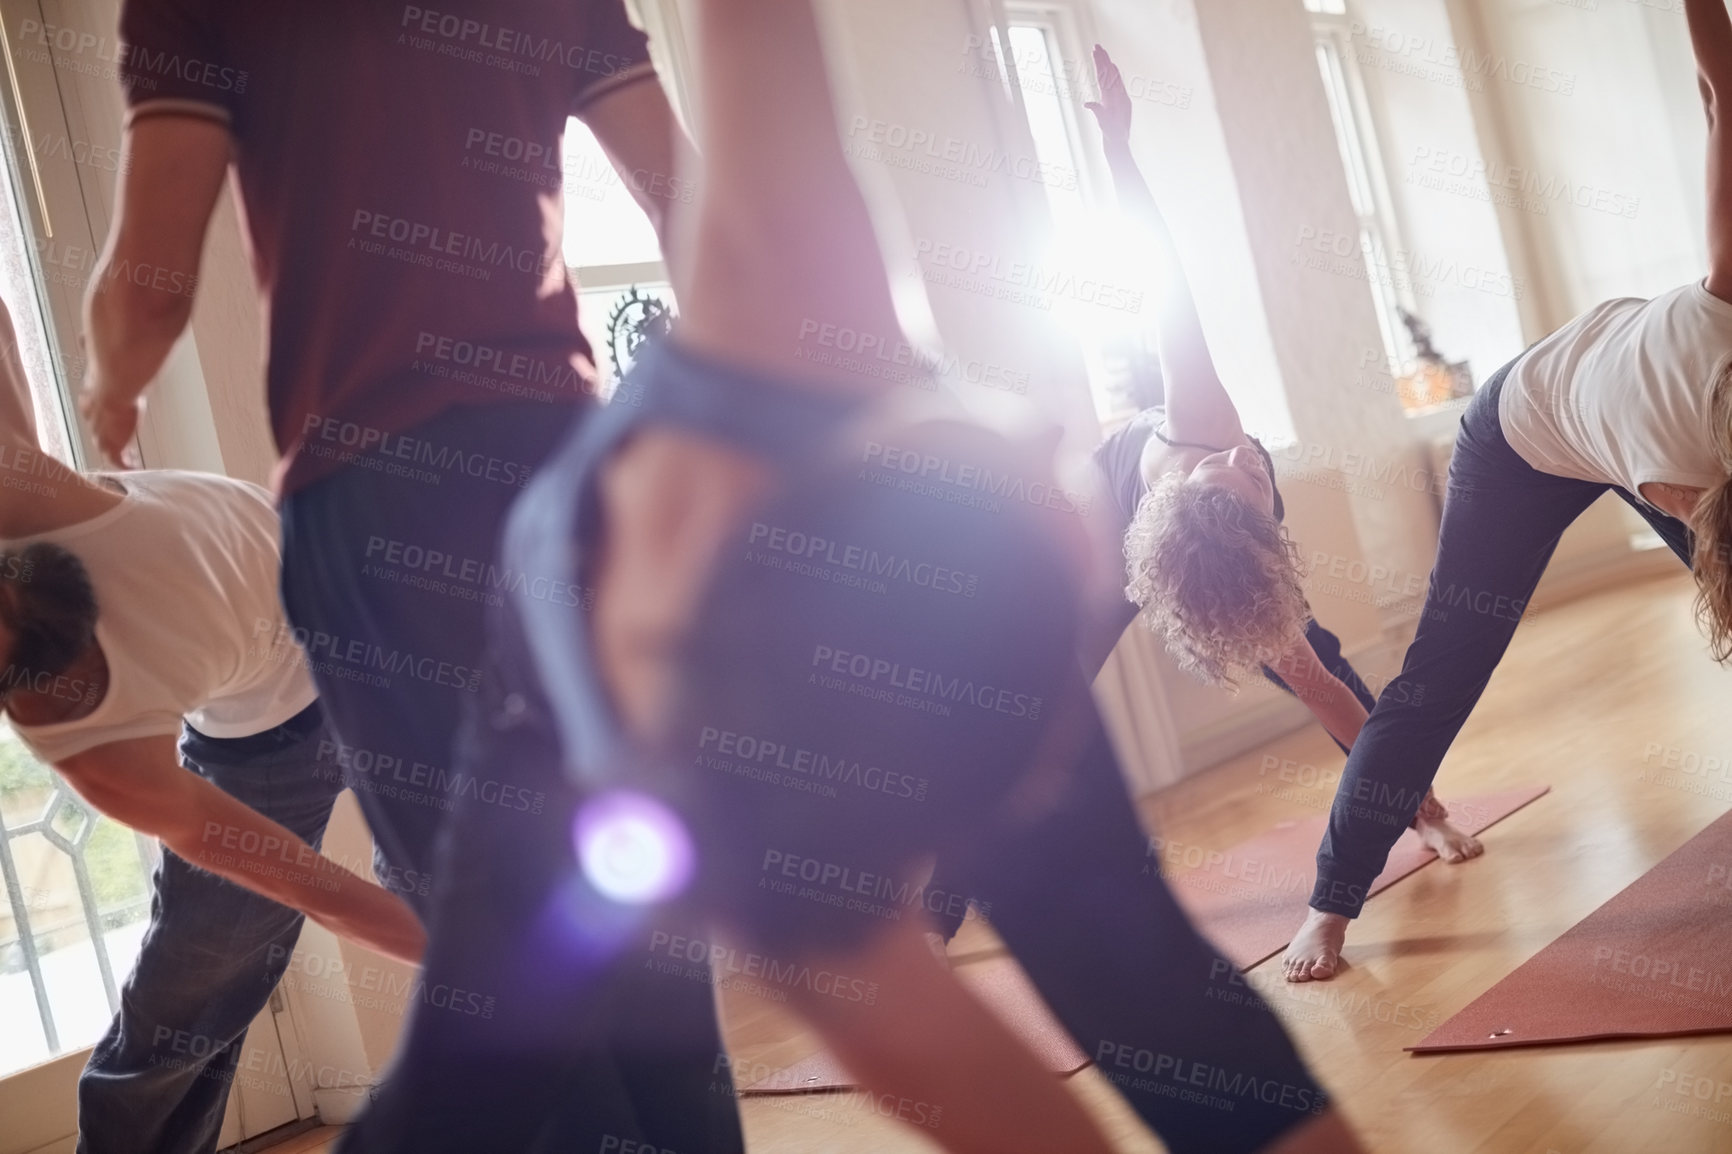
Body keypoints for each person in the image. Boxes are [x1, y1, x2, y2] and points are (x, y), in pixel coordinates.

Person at [349, 5, 1366, 1152]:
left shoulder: (800, 295)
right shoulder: (759, 852)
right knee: (468, 1080)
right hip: (567, 686)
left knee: (1130, 951)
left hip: (806, 625)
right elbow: (984, 1094)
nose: (1040, 428)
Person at [82, 1, 739, 1150]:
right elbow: (691, 206)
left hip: (378, 497)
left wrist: (110, 390)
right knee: (632, 913)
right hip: (563, 484)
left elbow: (149, 287)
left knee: (497, 941)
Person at [924, 44, 1478, 954]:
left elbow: (1166, 282)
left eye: (1251, 474)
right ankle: (928, 929)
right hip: (1096, 553)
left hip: (1213, 564)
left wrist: (1123, 161)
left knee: (1328, 674)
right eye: (1239, 470)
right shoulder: (1163, 473)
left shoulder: (1208, 433)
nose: (1246, 459)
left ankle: (1422, 812)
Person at [1282, 0, 1732, 982]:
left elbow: (1719, 93)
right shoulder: (1679, 460)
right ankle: (1330, 898)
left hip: (1614, 384)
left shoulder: (1725, 290)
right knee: (1443, 668)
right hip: (1520, 433)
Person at [0, 298, 421, 1154]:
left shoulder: (11, 491)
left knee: (476, 879)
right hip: (269, 742)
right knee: (188, 1003)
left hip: (370, 630)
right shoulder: (98, 748)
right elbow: (310, 885)